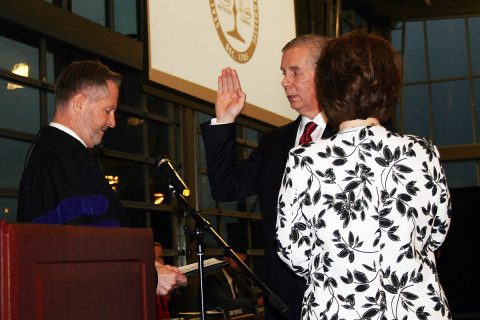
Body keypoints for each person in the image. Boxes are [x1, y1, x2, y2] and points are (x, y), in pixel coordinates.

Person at [276, 29, 452, 320]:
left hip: (337, 310)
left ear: (327, 87)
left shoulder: (305, 159)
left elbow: (293, 253)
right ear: (388, 88)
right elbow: (436, 234)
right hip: (416, 309)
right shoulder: (422, 152)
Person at [17, 60, 186, 296]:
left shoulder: (57, 155)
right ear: (79, 103)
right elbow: (85, 250)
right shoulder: (64, 160)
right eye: (108, 110)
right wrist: (149, 276)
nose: (113, 122)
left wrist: (149, 265)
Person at [201, 34, 333, 319]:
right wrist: (225, 120)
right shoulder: (274, 143)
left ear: (325, 73)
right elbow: (226, 187)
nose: (285, 81)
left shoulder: (351, 136)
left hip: (342, 293)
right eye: (284, 73)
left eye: (295, 72)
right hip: (284, 299)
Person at [204, 249, 262, 315]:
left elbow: (254, 297)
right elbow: (225, 304)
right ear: (225, 260)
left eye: (243, 262)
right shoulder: (212, 278)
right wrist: (256, 302)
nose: (240, 266)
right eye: (237, 261)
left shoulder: (240, 279)